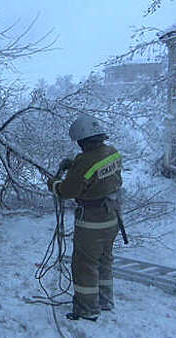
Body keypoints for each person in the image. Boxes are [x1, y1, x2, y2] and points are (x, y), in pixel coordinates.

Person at [47, 114, 123, 322]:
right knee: (104, 260)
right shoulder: (112, 152)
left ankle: (87, 309)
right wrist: (75, 166)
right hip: (112, 217)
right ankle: (105, 300)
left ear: (83, 140)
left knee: (85, 264)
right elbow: (97, 172)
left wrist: (53, 183)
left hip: (92, 221)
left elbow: (67, 190)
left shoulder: (86, 160)